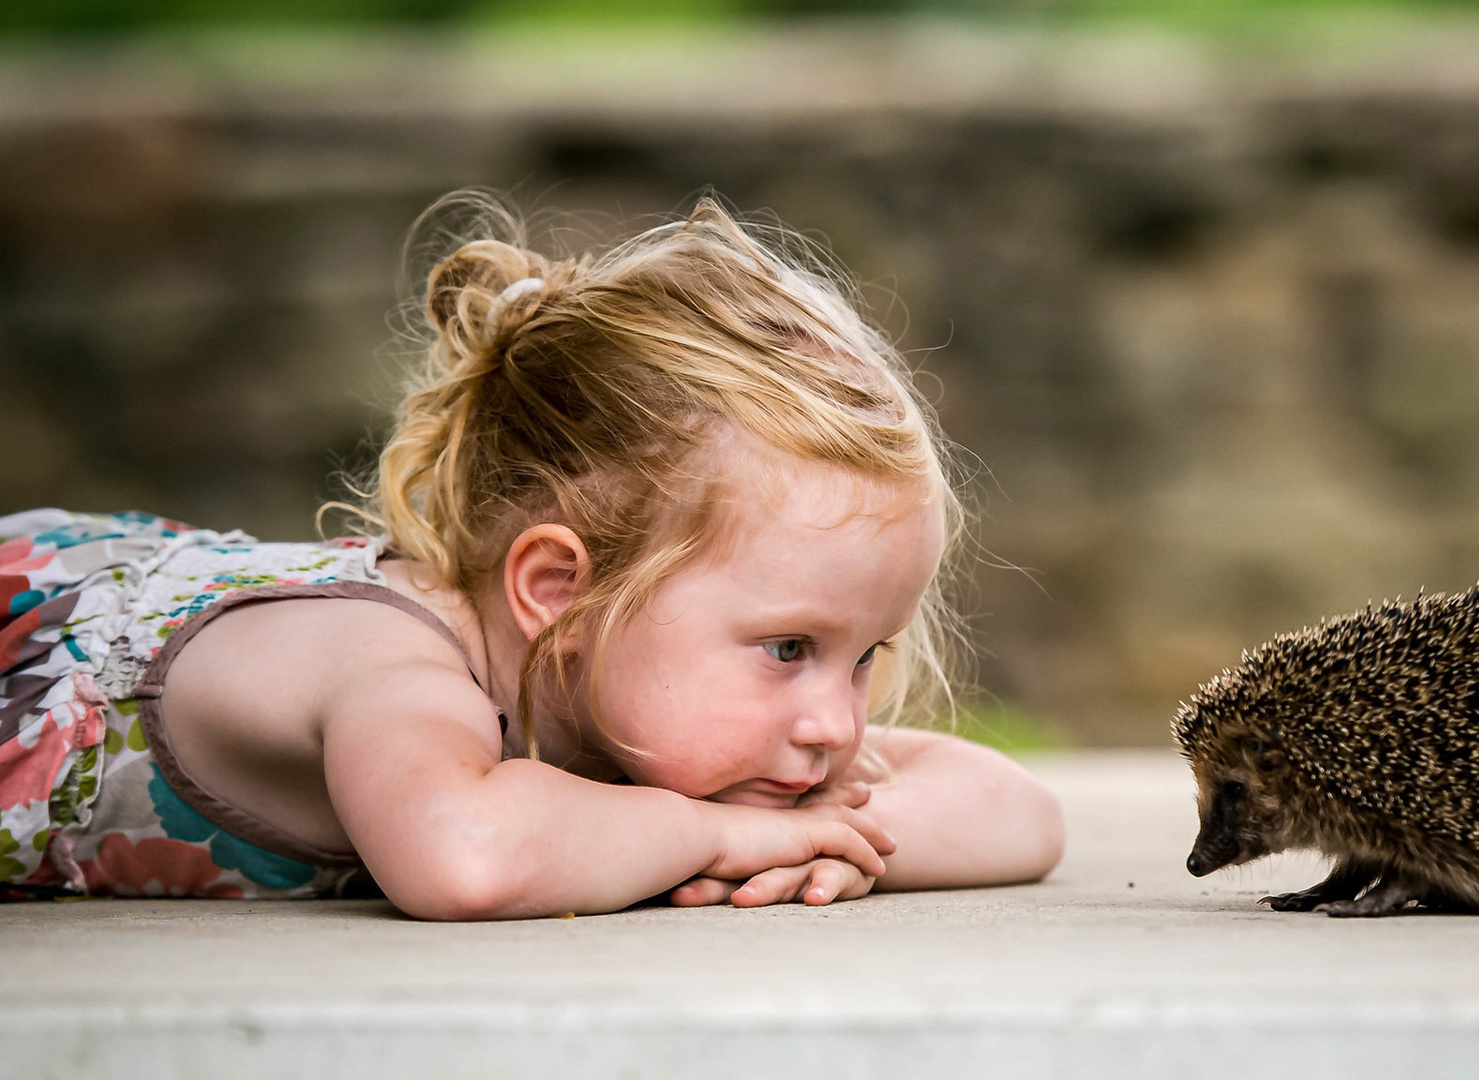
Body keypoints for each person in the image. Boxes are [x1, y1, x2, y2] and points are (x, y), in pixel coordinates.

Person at [0, 194, 1064, 919]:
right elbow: (463, 859)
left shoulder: (649, 690)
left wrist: (818, 843)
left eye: (864, 653)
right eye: (789, 647)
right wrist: (722, 840)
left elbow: (1017, 812)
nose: (837, 723)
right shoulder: (389, 670)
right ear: (558, 589)